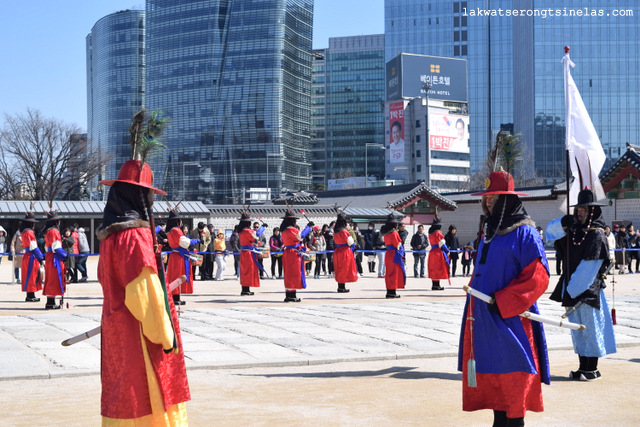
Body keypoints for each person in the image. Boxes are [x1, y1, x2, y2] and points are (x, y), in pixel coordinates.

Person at [96, 157, 190, 424]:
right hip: (139, 334)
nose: (150, 200)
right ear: (139, 195)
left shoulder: (110, 235)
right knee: (146, 398)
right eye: (148, 193)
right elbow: (144, 294)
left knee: (121, 394)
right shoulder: (134, 236)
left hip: (117, 328)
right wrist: (165, 334)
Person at [458, 170, 550, 426]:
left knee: (514, 378)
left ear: (507, 199)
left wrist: (506, 301)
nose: (488, 201)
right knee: (495, 381)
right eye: (486, 197)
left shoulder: (525, 232)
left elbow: (539, 276)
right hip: (484, 319)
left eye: (493, 196)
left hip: (512, 319)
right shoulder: (488, 230)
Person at [550, 188, 617, 381]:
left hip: (588, 290)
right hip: (573, 289)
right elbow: (550, 234)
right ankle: (581, 366)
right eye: (578, 209)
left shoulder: (597, 235)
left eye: (584, 209)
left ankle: (591, 368)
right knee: (578, 330)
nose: (579, 212)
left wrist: (573, 289)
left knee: (590, 329)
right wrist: (563, 223)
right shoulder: (572, 232)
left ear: (592, 211)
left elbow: (590, 267)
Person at [166, 211, 201, 306]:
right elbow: (185, 243)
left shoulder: (169, 231)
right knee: (179, 275)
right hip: (179, 256)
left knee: (173, 276)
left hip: (174, 255)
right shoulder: (176, 230)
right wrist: (196, 240)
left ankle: (175, 297)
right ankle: (176, 298)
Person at [280, 209, 312, 302]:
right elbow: (300, 236)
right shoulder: (291, 229)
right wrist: (308, 227)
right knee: (294, 274)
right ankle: (292, 295)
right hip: (293, 254)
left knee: (288, 274)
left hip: (287, 252)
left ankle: (289, 294)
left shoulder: (284, 230)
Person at [43, 210, 67, 310]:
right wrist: (65, 255)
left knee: (50, 279)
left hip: (49, 256)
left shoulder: (48, 231)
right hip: (55, 258)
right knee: (54, 279)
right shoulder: (54, 231)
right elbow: (56, 247)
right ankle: (50, 302)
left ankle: (50, 301)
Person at [238, 213, 266, 296]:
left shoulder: (241, 231)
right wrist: (263, 227)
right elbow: (256, 235)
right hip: (248, 254)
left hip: (244, 252)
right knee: (248, 271)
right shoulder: (247, 231)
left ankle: (245, 289)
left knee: (244, 271)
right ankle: (246, 290)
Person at [19, 212, 43, 302]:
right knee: (32, 276)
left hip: (27, 256)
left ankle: (30, 294)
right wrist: (40, 257)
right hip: (32, 257)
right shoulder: (29, 232)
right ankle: (30, 295)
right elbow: (34, 246)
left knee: (28, 276)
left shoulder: (24, 232)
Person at [381, 214, 405, 298]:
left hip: (388, 254)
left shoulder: (386, 234)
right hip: (394, 254)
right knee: (394, 273)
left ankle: (389, 291)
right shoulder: (394, 233)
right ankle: (392, 292)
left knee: (389, 273)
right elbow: (398, 245)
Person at [333, 213, 357, 293]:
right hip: (345, 251)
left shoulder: (335, 232)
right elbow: (351, 242)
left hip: (337, 250)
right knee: (344, 269)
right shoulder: (344, 231)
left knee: (339, 268)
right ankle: (342, 287)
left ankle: (340, 286)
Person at [427, 217, 449, 291]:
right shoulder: (438, 233)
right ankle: (437, 285)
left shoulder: (430, 233)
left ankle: (434, 284)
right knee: (438, 268)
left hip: (432, 251)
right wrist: (447, 251)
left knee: (433, 268)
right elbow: (442, 243)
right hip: (438, 252)